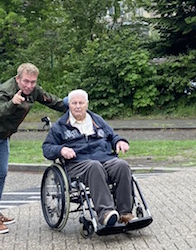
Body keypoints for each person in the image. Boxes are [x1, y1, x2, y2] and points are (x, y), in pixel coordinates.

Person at [0, 63, 67, 234]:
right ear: (18, 79)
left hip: (3, 135)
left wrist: (73, 105)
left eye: (33, 82)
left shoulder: (34, 91)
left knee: (2, 173)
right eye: (26, 81)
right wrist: (12, 103)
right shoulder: (6, 92)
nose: (29, 86)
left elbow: (51, 100)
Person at [42, 89, 134, 228]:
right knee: (94, 166)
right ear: (69, 105)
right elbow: (47, 148)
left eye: (81, 103)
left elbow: (112, 136)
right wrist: (60, 149)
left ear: (87, 104)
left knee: (122, 165)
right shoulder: (60, 126)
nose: (78, 106)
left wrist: (119, 141)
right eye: (74, 103)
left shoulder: (97, 120)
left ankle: (125, 213)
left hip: (104, 158)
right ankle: (106, 213)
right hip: (77, 163)